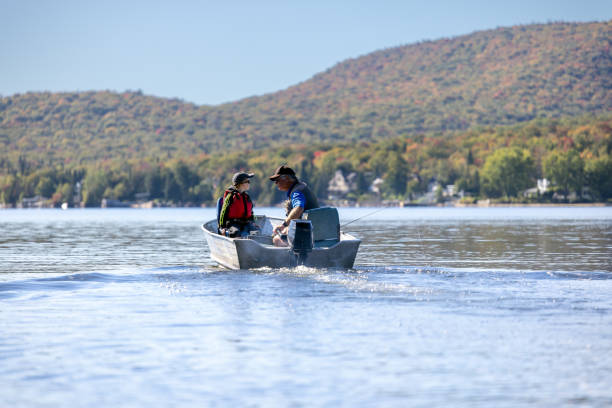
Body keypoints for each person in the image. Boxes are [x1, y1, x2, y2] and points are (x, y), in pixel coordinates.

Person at [269, 165, 319, 246]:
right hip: (315, 231)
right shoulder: (301, 187)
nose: (276, 183)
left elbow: (299, 208)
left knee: (276, 239)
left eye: (277, 180)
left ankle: (291, 257)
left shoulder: (296, 192)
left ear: (287, 178)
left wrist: (283, 225)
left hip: (307, 235)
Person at [218, 172, 259, 238]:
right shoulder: (231, 196)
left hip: (246, 223)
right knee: (235, 233)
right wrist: (222, 227)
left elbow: (251, 212)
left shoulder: (247, 197)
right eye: (247, 181)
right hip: (233, 223)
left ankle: (252, 246)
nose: (249, 183)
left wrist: (253, 222)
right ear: (240, 184)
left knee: (256, 231)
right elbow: (224, 212)